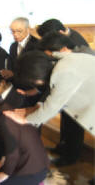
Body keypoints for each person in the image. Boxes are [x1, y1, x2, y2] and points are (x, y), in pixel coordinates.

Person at [3, 49, 95, 166]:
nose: (35, 84)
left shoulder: (64, 72)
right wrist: (35, 109)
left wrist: (25, 120)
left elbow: (52, 106)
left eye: (33, 81)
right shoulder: (56, 62)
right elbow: (51, 91)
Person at [37, 19, 91, 166]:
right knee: (66, 122)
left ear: (59, 34)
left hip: (80, 93)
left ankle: (70, 157)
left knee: (74, 125)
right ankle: (62, 147)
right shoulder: (65, 40)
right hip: (69, 90)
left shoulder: (76, 42)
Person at [0, 70, 49, 185]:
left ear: (2, 83)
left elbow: (13, 145)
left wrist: (5, 169)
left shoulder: (17, 99)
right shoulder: (2, 108)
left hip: (24, 153)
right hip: (15, 146)